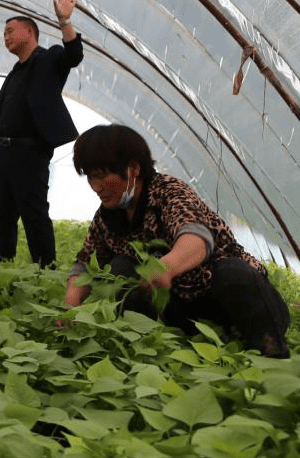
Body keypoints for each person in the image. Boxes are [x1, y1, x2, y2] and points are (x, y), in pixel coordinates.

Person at [65, 124, 291, 358]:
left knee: (232, 271)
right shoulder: (108, 215)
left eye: (101, 176)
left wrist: (166, 267)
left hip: (238, 301)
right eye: (91, 177)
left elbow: (195, 238)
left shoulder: (169, 192)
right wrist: (70, 306)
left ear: (132, 169)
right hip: (185, 310)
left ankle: (270, 350)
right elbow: (85, 263)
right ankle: (142, 347)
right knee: (121, 268)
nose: (96, 187)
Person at [0, 0, 83, 268]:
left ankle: (45, 266)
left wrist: (64, 22)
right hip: (4, 155)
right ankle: (3, 263)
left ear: (29, 32)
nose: (6, 36)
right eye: (4, 33)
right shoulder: (15, 73)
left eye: (10, 30)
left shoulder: (47, 60)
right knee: (3, 216)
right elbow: (2, 118)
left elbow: (73, 55)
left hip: (30, 152)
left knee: (34, 213)